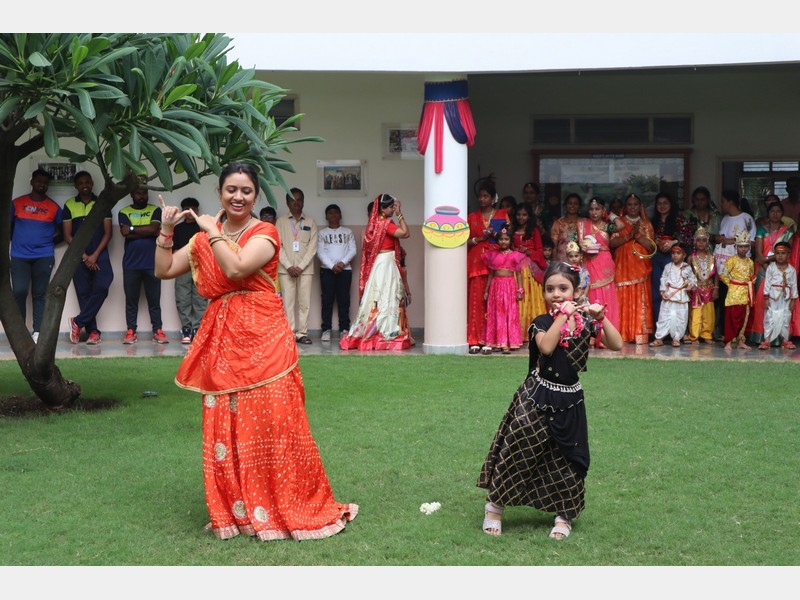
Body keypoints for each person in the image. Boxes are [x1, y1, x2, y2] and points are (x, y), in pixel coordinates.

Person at [154, 161, 357, 541]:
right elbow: (164, 269)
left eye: (246, 190)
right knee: (227, 422)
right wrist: (167, 231)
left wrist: (212, 231)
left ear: (255, 196)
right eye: (231, 189)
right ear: (219, 193)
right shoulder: (202, 240)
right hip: (222, 341)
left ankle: (283, 504)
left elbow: (237, 268)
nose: (238, 196)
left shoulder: (263, 232)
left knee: (273, 420)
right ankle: (238, 512)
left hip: (265, 340)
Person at [477, 261, 622, 539]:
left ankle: (564, 515)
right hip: (536, 397)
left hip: (570, 402)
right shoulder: (541, 322)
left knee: (568, 459)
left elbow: (616, 344)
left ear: (577, 291)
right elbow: (546, 346)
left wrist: (601, 318)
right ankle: (494, 507)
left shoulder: (584, 322)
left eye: (563, 288)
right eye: (550, 289)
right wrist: (561, 317)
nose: (556, 294)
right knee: (519, 450)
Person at [340, 193, 412, 351]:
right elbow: (405, 233)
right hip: (386, 264)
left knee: (376, 298)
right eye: (391, 207)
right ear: (382, 208)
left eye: (394, 207)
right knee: (388, 297)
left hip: (378, 265)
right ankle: (387, 333)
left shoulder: (373, 225)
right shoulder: (385, 224)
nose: (393, 210)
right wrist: (400, 214)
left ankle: (373, 330)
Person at [10, 168, 62, 343]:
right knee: (19, 291)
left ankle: (38, 331)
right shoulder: (17, 203)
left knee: (40, 294)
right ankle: (20, 332)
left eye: (45, 182)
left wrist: (46, 242)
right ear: (32, 182)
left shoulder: (54, 207)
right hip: (19, 255)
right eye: (39, 181)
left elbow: (62, 230)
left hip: (43, 255)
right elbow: (8, 227)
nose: (42, 184)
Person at [64, 171, 113, 345]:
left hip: (99, 253)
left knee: (103, 284)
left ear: (92, 183)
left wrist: (94, 255)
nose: (84, 185)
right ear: (76, 186)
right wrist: (85, 257)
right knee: (84, 293)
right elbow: (68, 236)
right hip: (78, 256)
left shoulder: (102, 203)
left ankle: (78, 322)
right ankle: (93, 332)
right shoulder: (69, 205)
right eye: (81, 182)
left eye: (87, 181)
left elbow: (108, 233)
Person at [118, 183, 168, 344]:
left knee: (154, 300)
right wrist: (143, 231)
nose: (142, 196)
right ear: (131, 194)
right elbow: (125, 234)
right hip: (131, 265)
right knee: (131, 301)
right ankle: (131, 331)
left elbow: (154, 230)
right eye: (138, 193)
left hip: (152, 263)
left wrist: (132, 229)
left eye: (144, 193)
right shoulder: (123, 212)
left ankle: (158, 330)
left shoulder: (155, 210)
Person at [466, 181, 509, 354]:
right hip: (476, 263)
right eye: (480, 196)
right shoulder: (471, 217)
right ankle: (474, 339)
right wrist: (477, 239)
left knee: (494, 303)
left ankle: (492, 339)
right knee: (476, 301)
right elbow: (465, 241)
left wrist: (496, 235)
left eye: (486, 196)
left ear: (493, 198)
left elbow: (508, 236)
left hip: (496, 262)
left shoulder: (502, 214)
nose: (482, 199)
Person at [610, 193, 656, 343]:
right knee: (622, 295)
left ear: (640, 206)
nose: (633, 207)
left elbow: (651, 247)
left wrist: (638, 237)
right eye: (629, 204)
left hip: (640, 266)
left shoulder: (646, 224)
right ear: (625, 207)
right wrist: (628, 236)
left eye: (635, 204)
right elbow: (611, 243)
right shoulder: (619, 223)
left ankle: (639, 333)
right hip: (622, 266)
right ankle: (622, 333)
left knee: (640, 296)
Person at [748, 200, 795, 346]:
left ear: (782, 214)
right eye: (772, 211)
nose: (775, 214)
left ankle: (781, 338)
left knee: (782, 306)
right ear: (768, 214)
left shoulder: (787, 232)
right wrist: (769, 265)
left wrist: (773, 262)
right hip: (763, 270)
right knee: (764, 304)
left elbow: (786, 252)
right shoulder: (761, 230)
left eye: (778, 211)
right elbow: (759, 256)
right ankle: (762, 338)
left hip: (781, 271)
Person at [275, 187, 318, 344]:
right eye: (293, 200)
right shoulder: (280, 222)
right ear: (287, 202)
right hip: (286, 270)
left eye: (299, 200)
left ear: (303, 202)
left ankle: (302, 333)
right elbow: (278, 246)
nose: (296, 203)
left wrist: (300, 266)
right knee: (288, 302)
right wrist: (288, 266)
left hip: (305, 270)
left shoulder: (310, 222)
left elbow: (312, 247)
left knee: (304, 302)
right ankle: (290, 333)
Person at [713, 190, 757, 342]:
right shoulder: (724, 219)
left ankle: (740, 334)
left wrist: (731, 241)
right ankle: (725, 332)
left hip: (740, 267)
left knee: (740, 305)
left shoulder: (746, 218)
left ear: (730, 201)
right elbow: (723, 238)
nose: (722, 204)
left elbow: (752, 242)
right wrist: (720, 239)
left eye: (723, 201)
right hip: (723, 265)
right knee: (724, 300)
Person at [482, 227, 527, 355]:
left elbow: (518, 275)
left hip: (509, 286)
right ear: (498, 241)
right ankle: (497, 341)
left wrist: (520, 290)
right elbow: (491, 274)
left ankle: (509, 342)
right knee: (496, 313)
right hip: (496, 286)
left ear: (510, 241)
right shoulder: (493, 255)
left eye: (506, 239)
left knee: (510, 313)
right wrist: (487, 290)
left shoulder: (516, 255)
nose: (503, 242)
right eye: (501, 239)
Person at [650, 192, 694, 325]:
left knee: (674, 292)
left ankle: (675, 329)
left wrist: (673, 242)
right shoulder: (652, 221)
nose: (662, 206)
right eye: (659, 203)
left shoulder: (679, 220)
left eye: (665, 203)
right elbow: (647, 239)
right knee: (658, 292)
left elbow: (689, 238)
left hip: (674, 258)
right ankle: (660, 327)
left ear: (671, 205)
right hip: (657, 258)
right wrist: (656, 242)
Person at [578, 196, 620, 330]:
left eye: (597, 209)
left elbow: (621, 225)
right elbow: (577, 244)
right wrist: (582, 248)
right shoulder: (582, 225)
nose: (594, 212)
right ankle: (591, 334)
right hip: (588, 260)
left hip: (604, 262)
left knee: (606, 294)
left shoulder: (608, 226)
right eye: (591, 209)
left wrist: (610, 215)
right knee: (589, 292)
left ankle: (607, 333)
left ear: (603, 210)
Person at [317, 203, 357, 342]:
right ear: (326, 216)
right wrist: (331, 266)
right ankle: (326, 329)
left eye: (335, 212)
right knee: (327, 300)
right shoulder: (322, 233)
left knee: (344, 300)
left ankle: (344, 329)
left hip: (345, 271)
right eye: (330, 213)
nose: (333, 215)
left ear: (340, 215)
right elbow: (320, 252)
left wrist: (342, 263)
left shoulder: (348, 232)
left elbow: (352, 250)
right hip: (327, 270)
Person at [172, 197, 208, 344]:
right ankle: (186, 329)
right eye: (187, 209)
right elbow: (174, 249)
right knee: (183, 299)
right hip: (182, 268)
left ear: (197, 211)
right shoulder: (177, 228)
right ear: (183, 211)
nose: (190, 212)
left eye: (193, 209)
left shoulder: (203, 227)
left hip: (200, 266)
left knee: (200, 299)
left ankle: (198, 329)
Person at [509, 202, 547, 340]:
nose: (521, 217)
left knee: (531, 299)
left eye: (524, 215)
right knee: (518, 298)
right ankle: (517, 333)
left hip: (530, 270)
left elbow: (540, 251)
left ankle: (533, 331)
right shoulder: (511, 231)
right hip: (515, 270)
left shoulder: (534, 231)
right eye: (518, 214)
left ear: (529, 216)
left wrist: (529, 251)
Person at [649, 243, 697, 347]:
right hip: (669, 295)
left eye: (678, 253)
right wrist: (662, 291)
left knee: (680, 318)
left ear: (683, 255)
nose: (675, 255)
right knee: (664, 317)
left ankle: (676, 338)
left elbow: (693, 280)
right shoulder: (668, 267)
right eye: (673, 253)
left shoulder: (687, 268)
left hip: (681, 296)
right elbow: (663, 279)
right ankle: (659, 338)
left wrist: (690, 286)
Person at [719, 230, 756, 351]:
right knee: (732, 318)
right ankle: (728, 341)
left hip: (746, 293)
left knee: (745, 317)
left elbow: (751, 275)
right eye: (741, 246)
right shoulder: (731, 260)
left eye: (746, 247)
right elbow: (723, 275)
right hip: (734, 294)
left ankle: (741, 340)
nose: (743, 249)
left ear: (749, 247)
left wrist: (752, 281)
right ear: (736, 247)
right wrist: (732, 284)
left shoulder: (750, 262)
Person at [759, 240, 798, 350]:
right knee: (769, 317)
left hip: (785, 298)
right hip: (772, 297)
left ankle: (785, 340)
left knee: (786, 317)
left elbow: (794, 285)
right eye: (778, 253)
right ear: (774, 254)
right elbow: (767, 283)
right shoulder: (771, 268)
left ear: (788, 254)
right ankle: (767, 341)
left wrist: (793, 300)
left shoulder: (792, 270)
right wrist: (766, 298)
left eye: (783, 253)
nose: (780, 256)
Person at [686, 226, 718, 345]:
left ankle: (707, 335)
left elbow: (716, 275)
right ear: (695, 242)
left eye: (704, 240)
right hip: (696, 289)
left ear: (708, 242)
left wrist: (716, 288)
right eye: (699, 240)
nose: (701, 243)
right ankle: (694, 336)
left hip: (709, 288)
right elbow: (687, 274)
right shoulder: (691, 258)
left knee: (709, 313)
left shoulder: (712, 258)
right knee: (696, 313)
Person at [550, 193, 587, 263]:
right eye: (570, 203)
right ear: (565, 206)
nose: (572, 206)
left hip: (580, 259)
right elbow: (554, 245)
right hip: (562, 259)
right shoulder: (558, 223)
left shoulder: (585, 222)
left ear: (579, 206)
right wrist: (555, 263)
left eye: (575, 204)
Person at [258, 206, 280, 295]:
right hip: (260, 270)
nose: (267, 219)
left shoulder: (278, 233)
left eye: (269, 217)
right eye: (264, 217)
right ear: (260, 219)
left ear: (274, 220)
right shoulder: (256, 233)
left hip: (276, 270)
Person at [565, 241, 590, 306]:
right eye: (571, 256)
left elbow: (588, 284)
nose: (574, 259)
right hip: (570, 299)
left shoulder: (584, 271)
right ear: (567, 257)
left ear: (581, 256)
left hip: (582, 299)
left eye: (576, 256)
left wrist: (584, 295)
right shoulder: (566, 271)